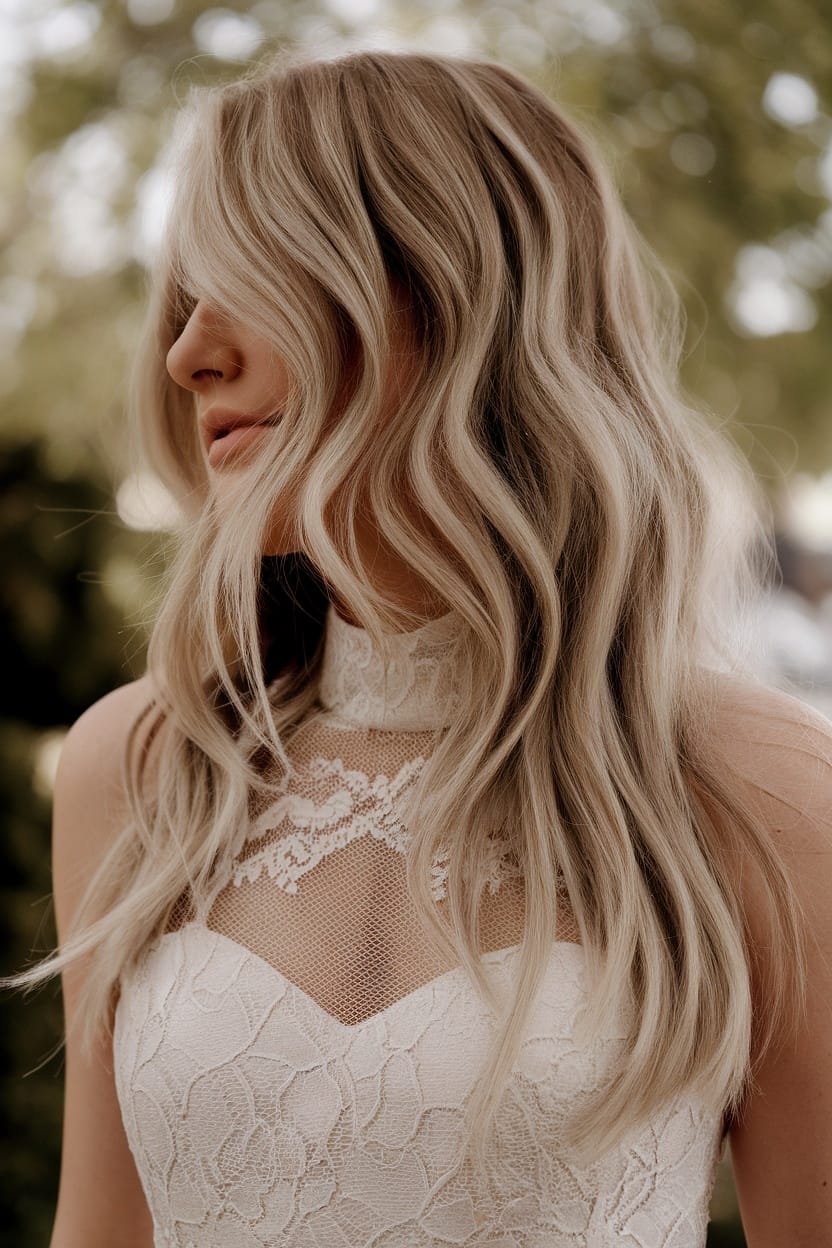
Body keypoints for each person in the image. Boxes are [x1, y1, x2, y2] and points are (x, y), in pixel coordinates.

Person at [3, 46, 831, 1248]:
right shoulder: (141, 765)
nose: (190, 354)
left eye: (254, 277)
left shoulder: (755, 789)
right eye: (184, 299)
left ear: (447, 298)